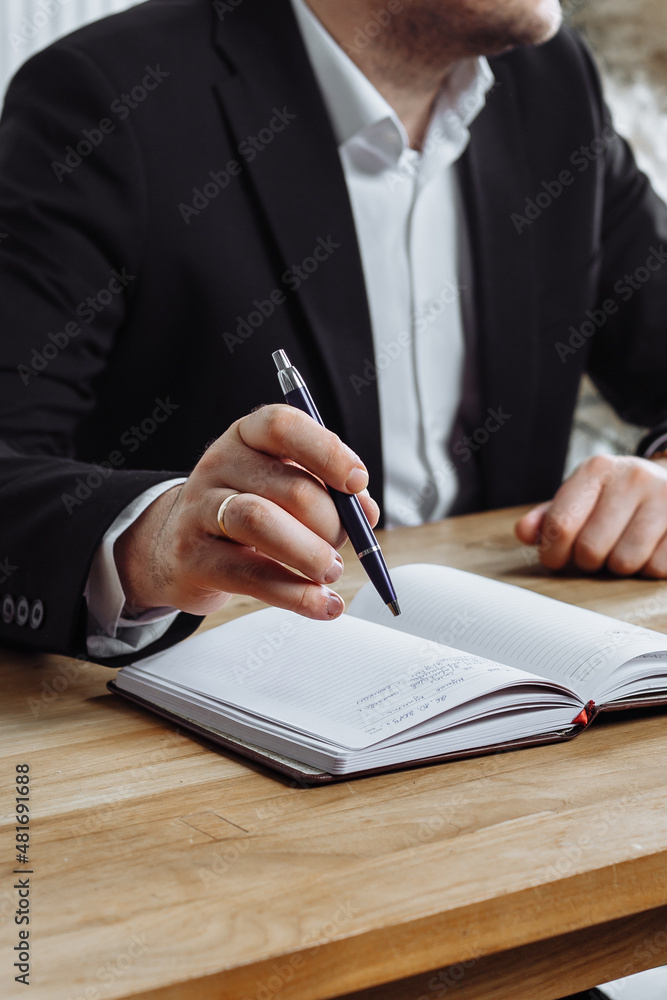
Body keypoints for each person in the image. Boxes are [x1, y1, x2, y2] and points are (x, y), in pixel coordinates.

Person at [0, 0, 666, 673]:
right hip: (217, 684)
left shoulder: (549, 74)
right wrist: (153, 542)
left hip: (515, 672)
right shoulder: (103, 96)